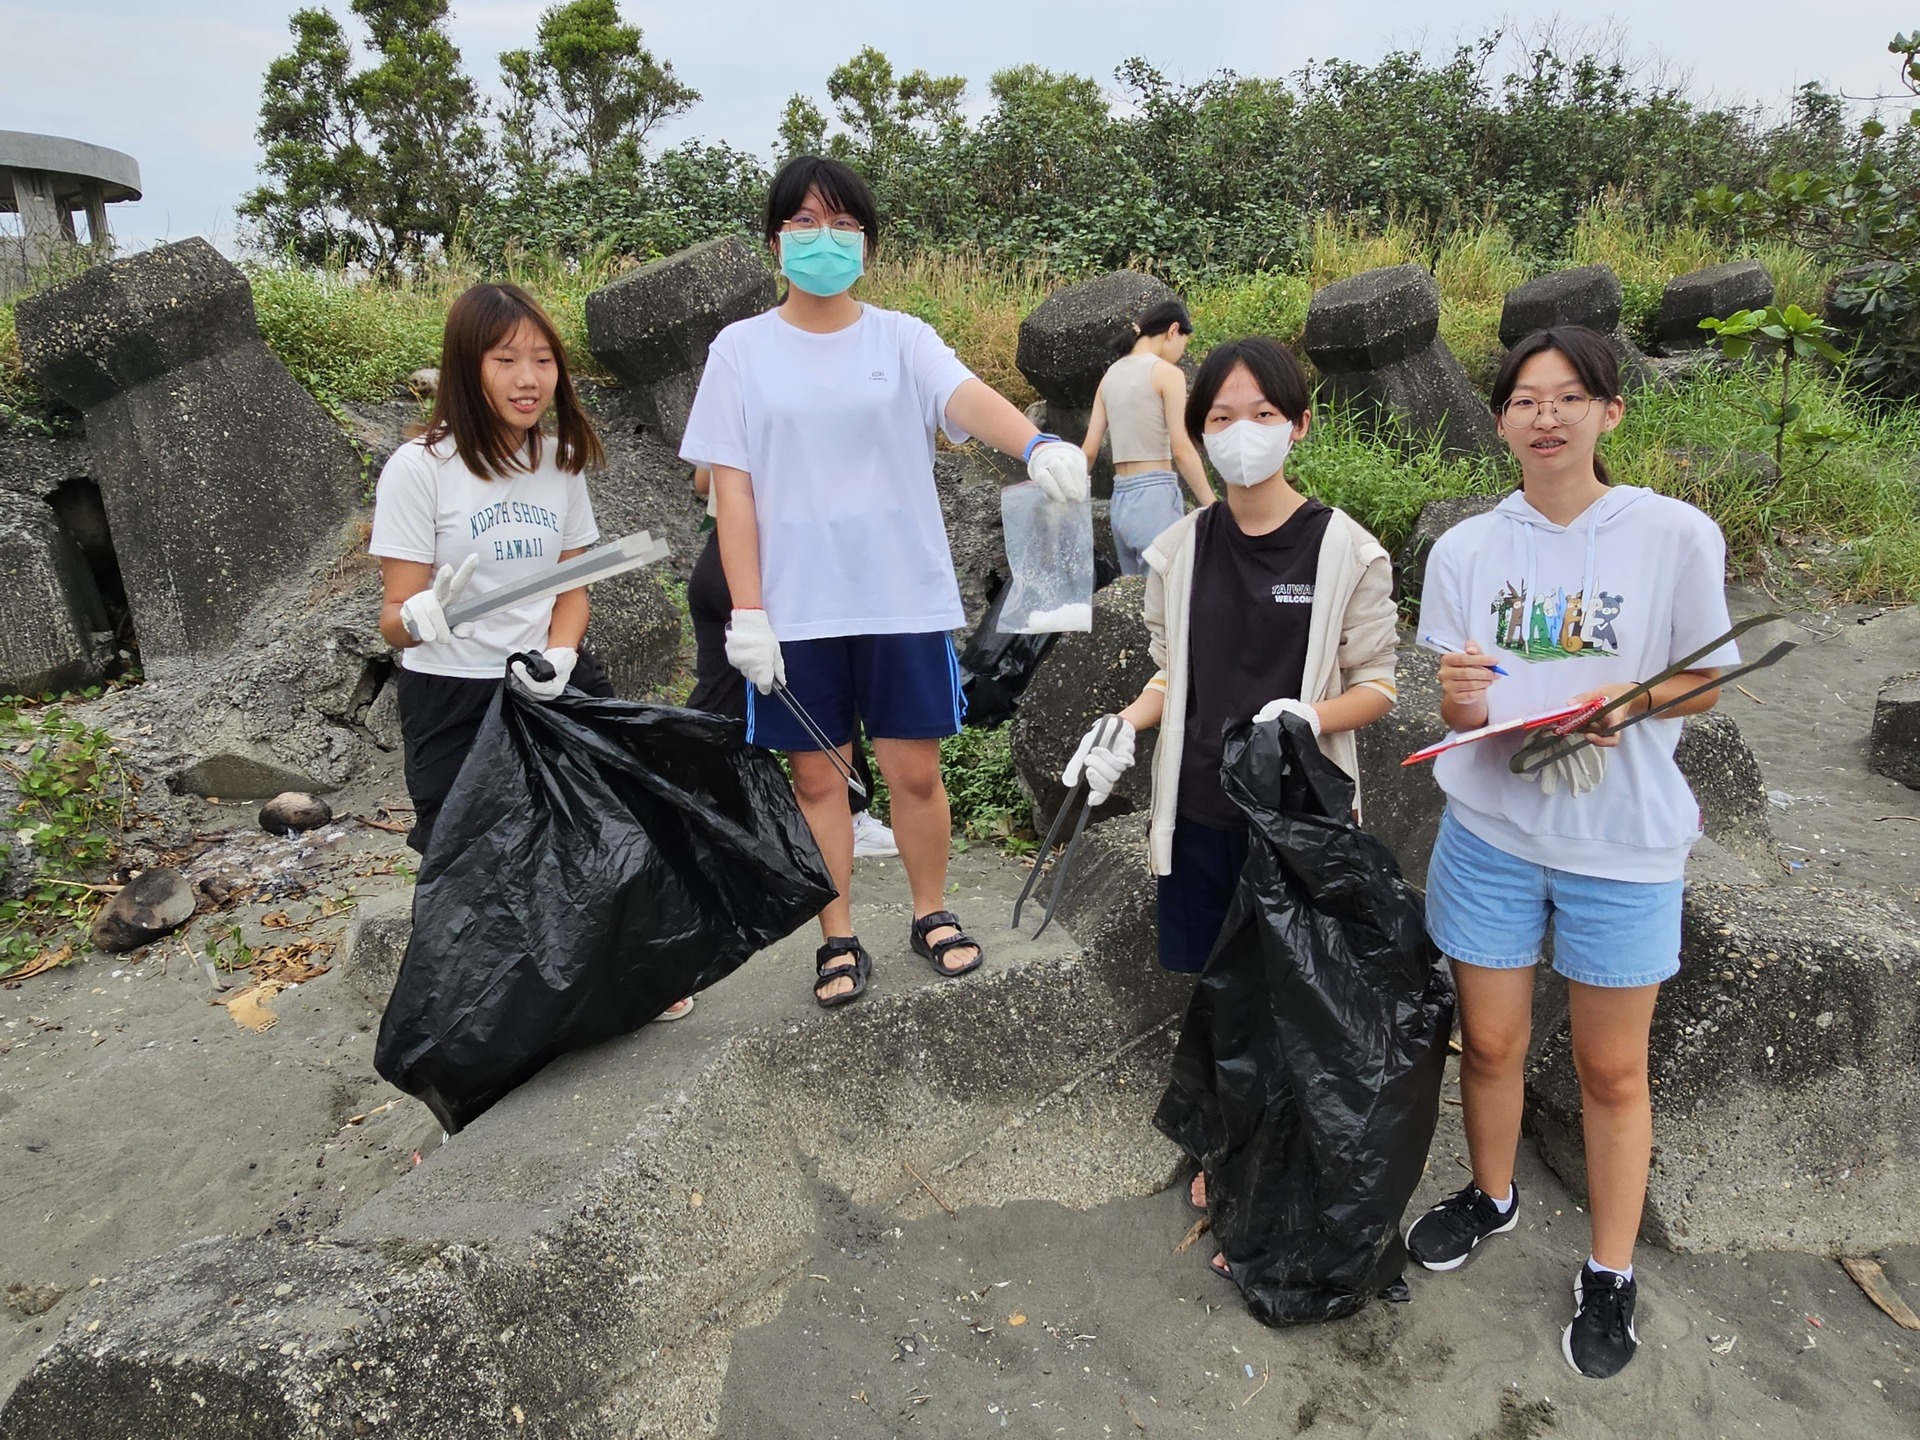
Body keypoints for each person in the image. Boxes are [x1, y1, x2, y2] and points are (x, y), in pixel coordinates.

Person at [679, 155, 1090, 1010]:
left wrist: (1036, 444)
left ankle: (931, 911)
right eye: (802, 222)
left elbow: (967, 397)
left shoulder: (899, 338)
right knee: (820, 782)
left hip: (900, 597)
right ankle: (838, 937)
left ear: (866, 241)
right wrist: (749, 613)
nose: (821, 239)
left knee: (914, 774)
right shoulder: (741, 351)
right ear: (774, 240)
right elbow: (734, 494)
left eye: (841, 224)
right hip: (795, 611)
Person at [1407, 325, 1739, 1379]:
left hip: (1623, 845)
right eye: (1523, 400)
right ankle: (1492, 1193)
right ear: (1500, 418)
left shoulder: (1674, 535)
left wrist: (1626, 703)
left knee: (1609, 1067)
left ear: (1610, 412)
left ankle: (1610, 1267)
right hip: (1493, 831)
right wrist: (1461, 698)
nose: (1545, 417)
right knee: (1492, 1043)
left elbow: (1705, 681)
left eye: (1569, 397)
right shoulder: (1466, 547)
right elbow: (1458, 690)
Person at [1056, 335, 1398, 1267]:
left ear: (1299, 425)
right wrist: (1124, 725)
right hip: (1204, 810)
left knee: (1293, 995)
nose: (1243, 433)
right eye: (1220, 419)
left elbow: (1379, 684)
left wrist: (1312, 711)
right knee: (1216, 986)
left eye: (1263, 415)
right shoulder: (1178, 547)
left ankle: (1275, 1152)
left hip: (1301, 828)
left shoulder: (1347, 551)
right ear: (1197, 436)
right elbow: (1174, 675)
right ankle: (1223, 1141)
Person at [369, 283, 695, 1020]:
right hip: (453, 692)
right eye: (506, 358)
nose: (528, 378)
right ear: (466, 366)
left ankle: (627, 980)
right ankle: (504, 1017)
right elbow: (393, 619)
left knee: (601, 829)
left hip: (548, 676)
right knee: (474, 859)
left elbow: (572, 584)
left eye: (543, 360)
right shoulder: (419, 469)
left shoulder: (558, 458)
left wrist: (562, 658)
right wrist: (422, 617)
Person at [687, 465, 896, 858]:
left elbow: (703, 479)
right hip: (771, 557)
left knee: (720, 698)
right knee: (826, 683)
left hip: (722, 554)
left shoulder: (726, 404)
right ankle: (846, 815)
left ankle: (685, 806)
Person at [1080, 301, 1216, 573]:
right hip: (1155, 496)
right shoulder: (1168, 374)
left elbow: (1089, 451)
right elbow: (1182, 449)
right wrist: (1212, 506)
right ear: (1173, 330)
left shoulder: (1110, 377)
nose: (1181, 352)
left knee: (1135, 600)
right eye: (1184, 343)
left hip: (1120, 500)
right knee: (1164, 597)